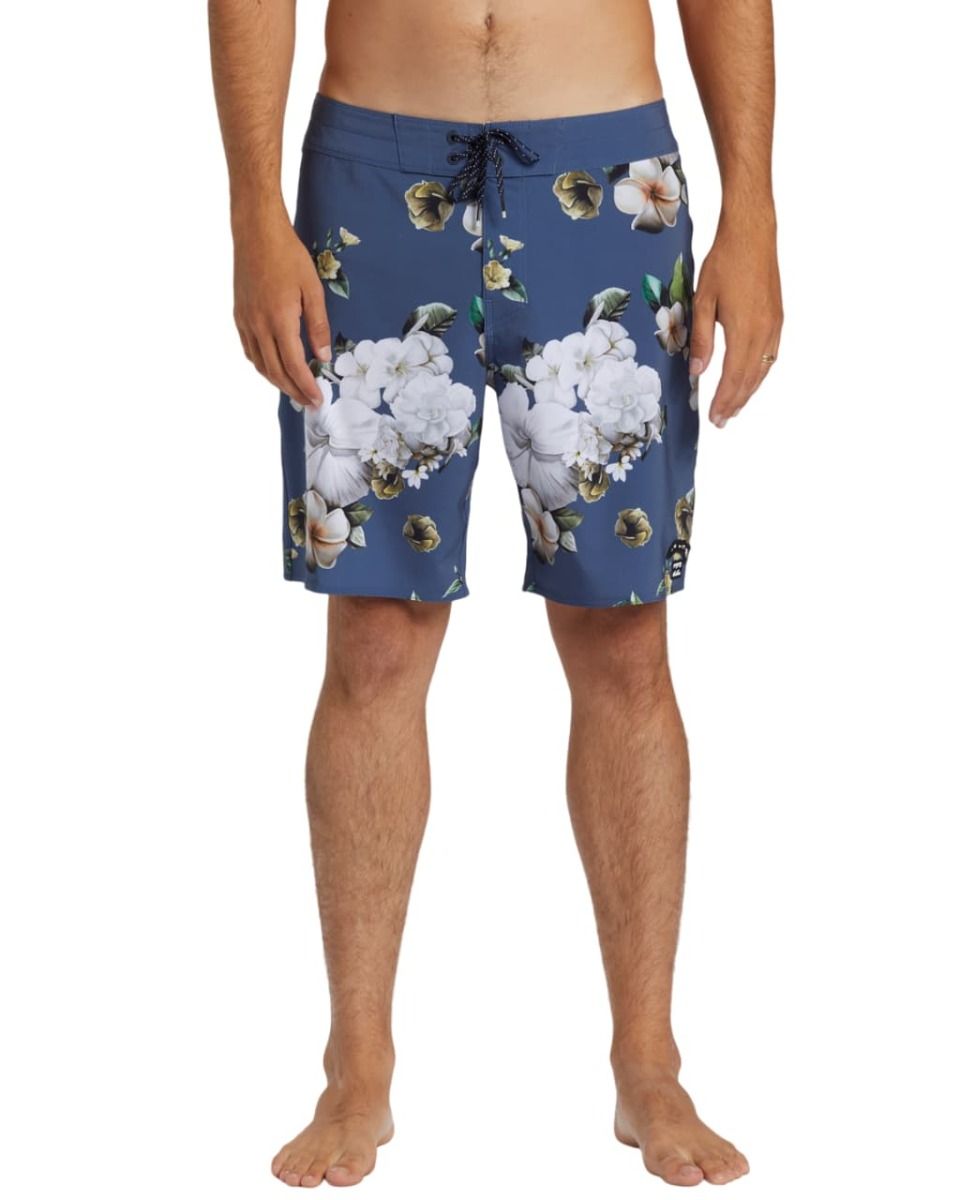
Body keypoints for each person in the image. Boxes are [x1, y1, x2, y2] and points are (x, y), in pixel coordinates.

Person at [209, 0, 782, 1188]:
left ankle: (649, 1061)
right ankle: (356, 1067)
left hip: (610, 180)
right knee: (374, 637)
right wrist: (252, 208)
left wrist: (754, 209)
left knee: (624, 639)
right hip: (374, 172)